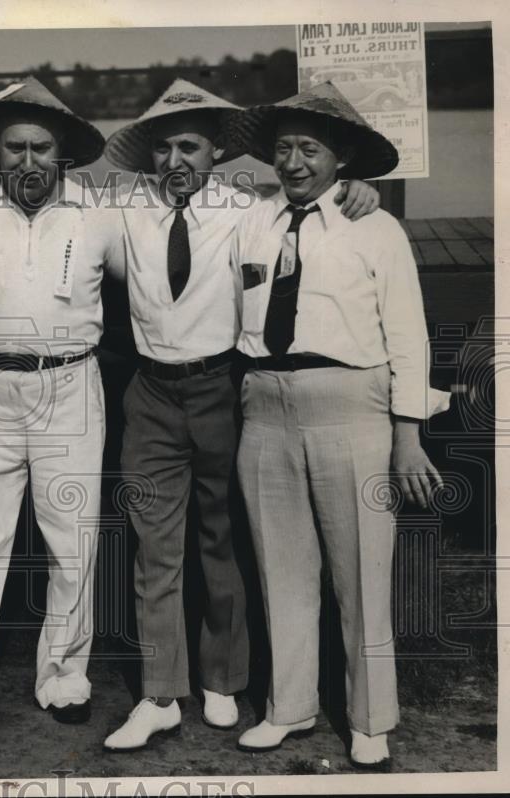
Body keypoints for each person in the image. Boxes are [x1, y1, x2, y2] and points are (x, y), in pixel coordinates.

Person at [98, 78, 381, 752]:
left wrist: (355, 189)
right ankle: (161, 694)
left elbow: (311, 204)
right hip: (151, 395)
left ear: (216, 151)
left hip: (223, 387)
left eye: (189, 147)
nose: (175, 162)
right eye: (162, 148)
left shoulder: (248, 209)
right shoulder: (121, 210)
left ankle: (223, 679)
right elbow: (46, 210)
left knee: (222, 542)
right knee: (153, 548)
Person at [228, 81, 449, 769]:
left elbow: (408, 336)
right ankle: (288, 708)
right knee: (280, 568)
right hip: (264, 401)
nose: (294, 162)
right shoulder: (252, 220)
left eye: (311, 149)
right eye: (284, 148)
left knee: (360, 572)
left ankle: (369, 718)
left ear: (340, 157)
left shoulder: (375, 227)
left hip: (352, 405)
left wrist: (407, 434)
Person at [0, 77, 125, 741]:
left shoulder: (102, 210)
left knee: (72, 541)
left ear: (63, 150)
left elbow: (159, 267)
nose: (29, 161)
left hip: (68, 384)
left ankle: (65, 675)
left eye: (43, 146)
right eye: (15, 148)